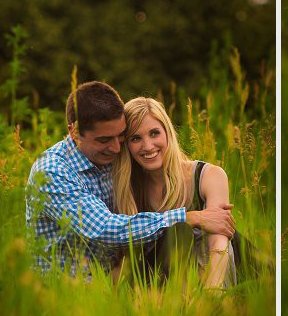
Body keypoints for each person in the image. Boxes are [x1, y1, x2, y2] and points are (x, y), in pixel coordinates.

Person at [26, 81, 235, 278]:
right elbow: (105, 229)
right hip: (69, 289)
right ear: (75, 132)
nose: (117, 148)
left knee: (231, 244)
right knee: (181, 230)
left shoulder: (111, 158)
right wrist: (190, 217)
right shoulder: (53, 171)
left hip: (116, 280)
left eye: (120, 137)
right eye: (104, 140)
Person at [112, 97, 236, 289]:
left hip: (209, 277)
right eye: (136, 138)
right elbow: (122, 261)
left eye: (154, 133)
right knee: (178, 232)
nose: (148, 146)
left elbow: (219, 242)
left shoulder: (208, 176)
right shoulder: (126, 189)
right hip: (157, 287)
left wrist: (212, 296)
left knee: (240, 245)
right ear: (126, 145)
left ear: (168, 133)